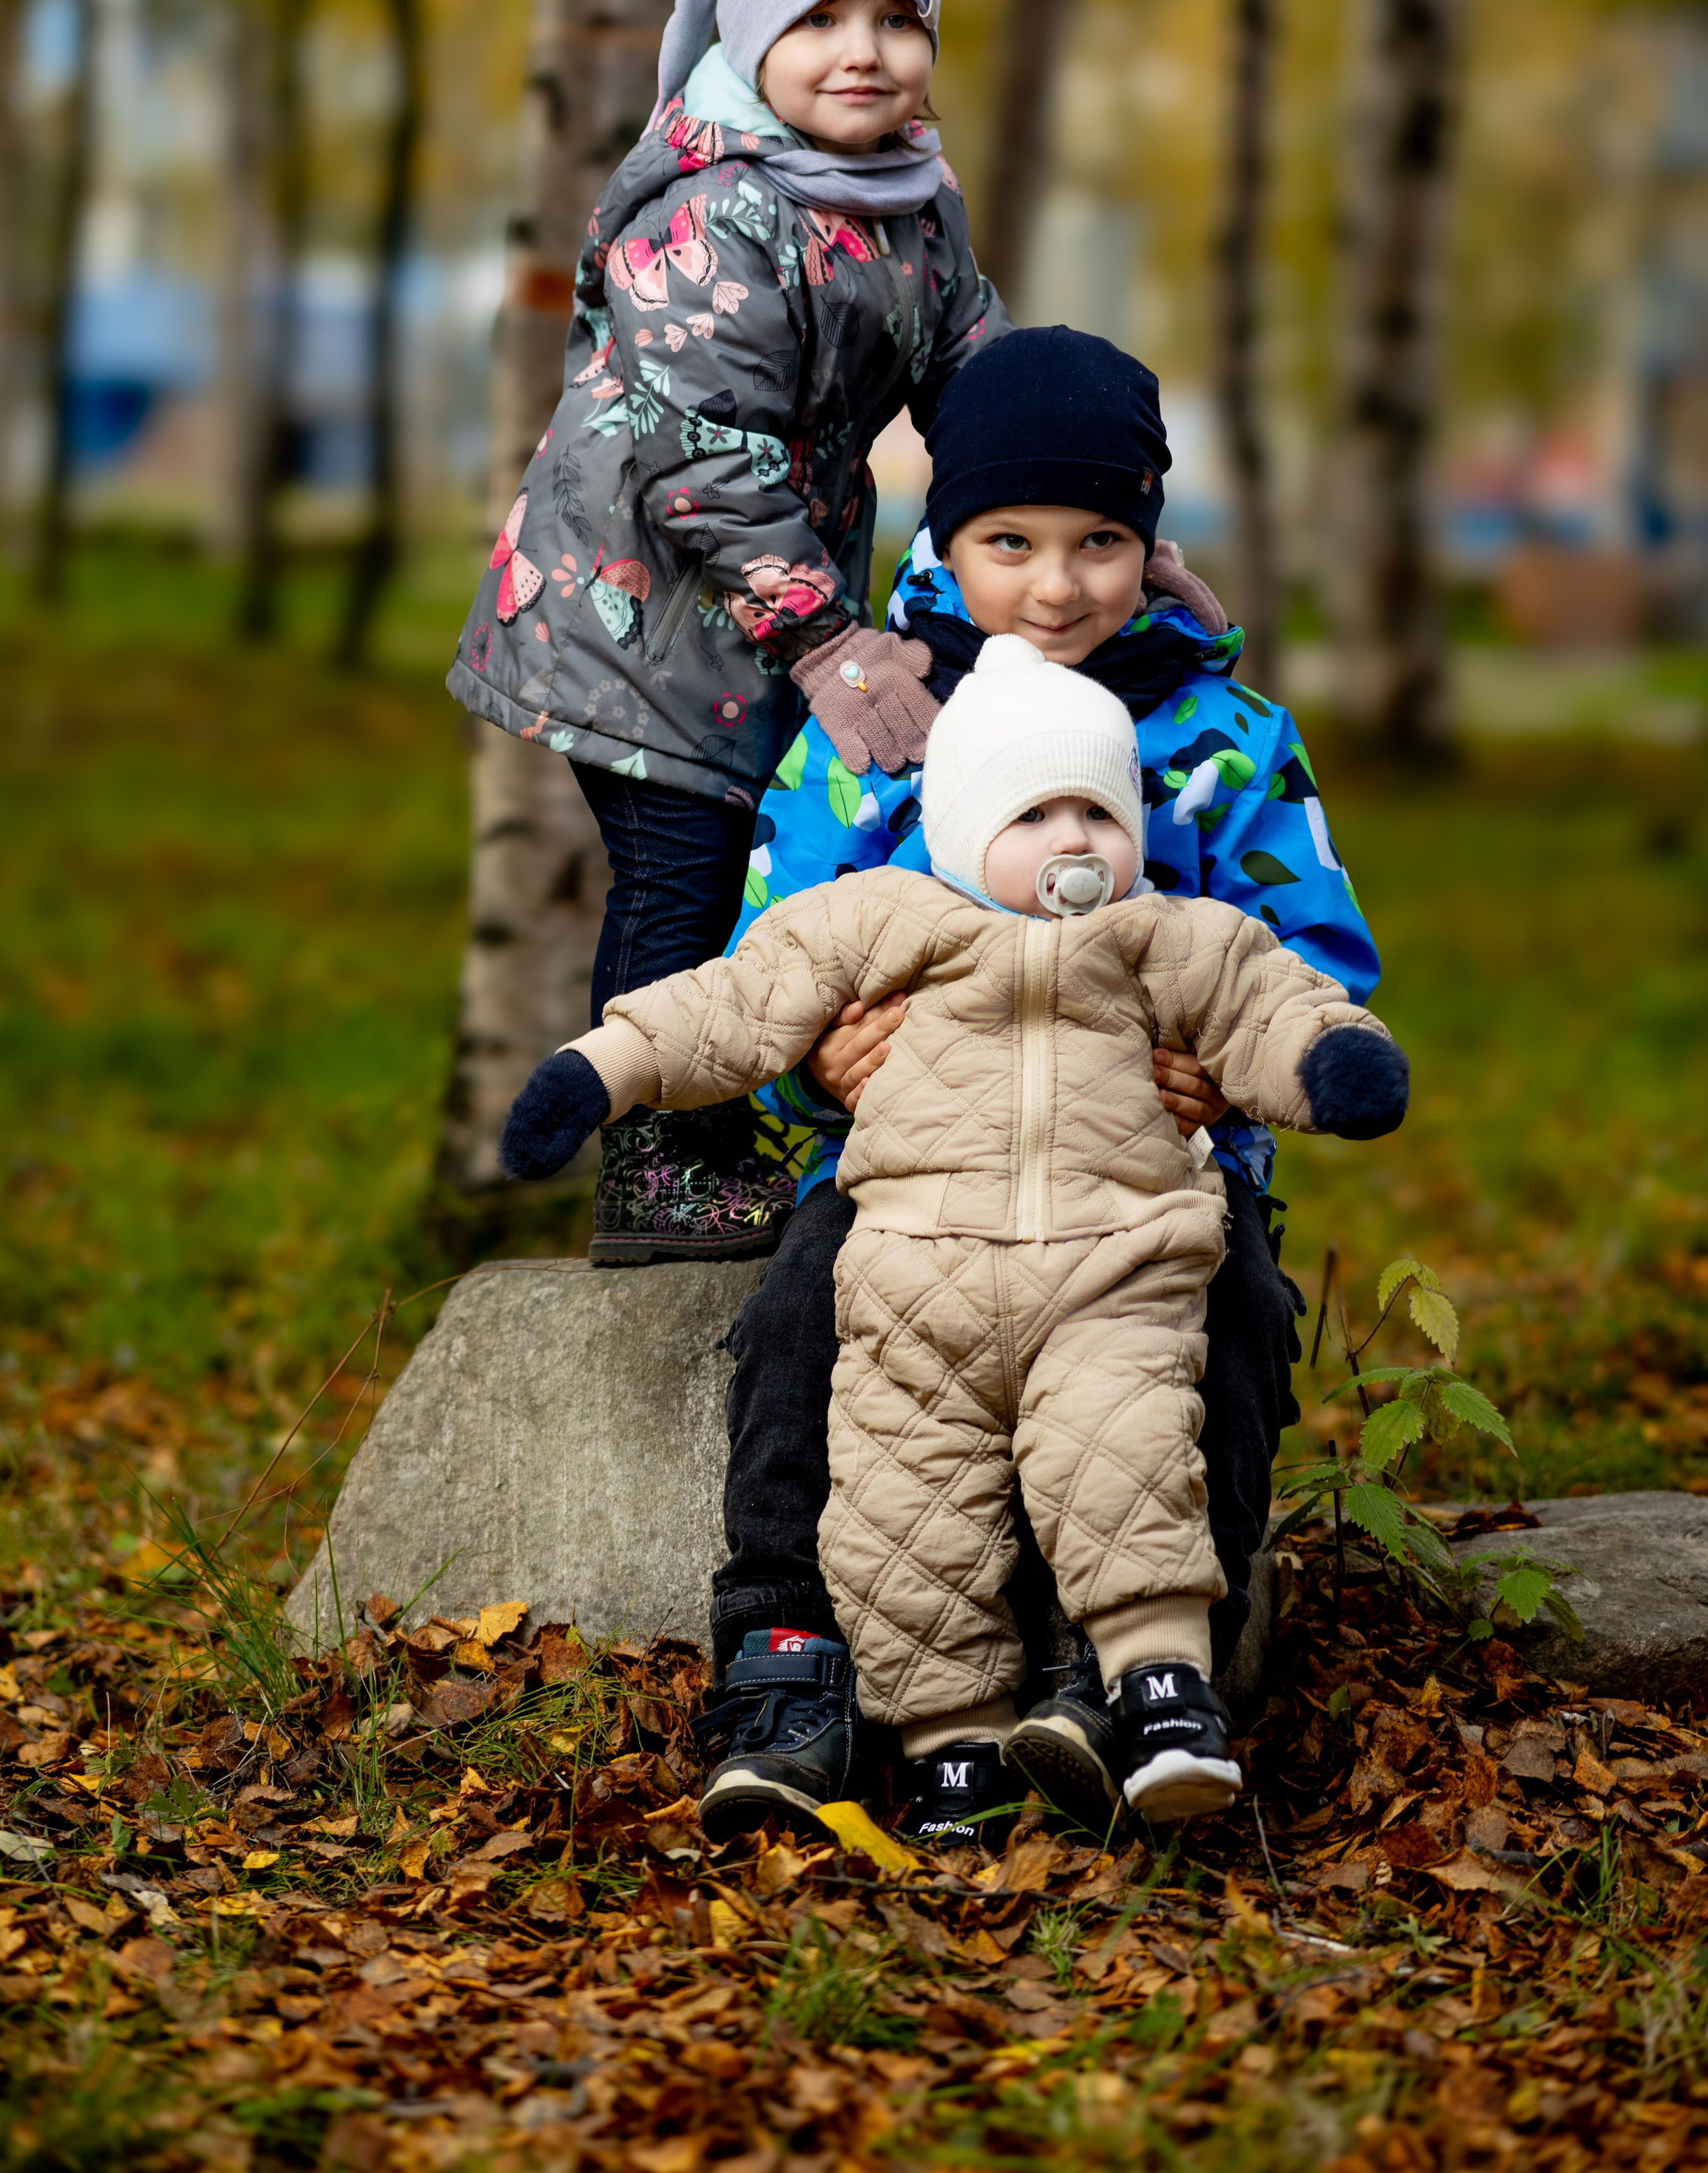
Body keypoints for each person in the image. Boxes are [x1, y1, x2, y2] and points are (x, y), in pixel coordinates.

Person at [498, 637, 1409, 1836]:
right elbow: (734, 1001)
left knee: (1128, 1448)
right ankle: (945, 1749)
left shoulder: (1168, 932)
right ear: (963, 827)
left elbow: (1274, 1000)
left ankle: (1155, 1688)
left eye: (1100, 810)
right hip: (917, 1264)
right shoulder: (885, 914)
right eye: (1037, 813)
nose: (1076, 839)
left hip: (1110, 1261)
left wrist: (1322, 1065)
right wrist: (599, 1072)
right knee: (906, 1508)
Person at [692, 328, 1384, 1841]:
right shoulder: (876, 726)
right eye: (1008, 543)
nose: (1055, 586)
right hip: (914, 1182)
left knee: (1240, 1316)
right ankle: (785, 1650)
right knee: (802, 1304)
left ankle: (1135, 1674)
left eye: (1099, 543)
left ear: (1150, 538)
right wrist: (820, 1061)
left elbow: (1312, 949)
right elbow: (772, 949)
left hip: (1154, 1182)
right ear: (946, 538)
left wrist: (1229, 1070)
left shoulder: (1221, 740)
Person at [447, 0, 1009, 1265]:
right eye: (818, 19)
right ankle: (660, 1164)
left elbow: (982, 385)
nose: (863, 52)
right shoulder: (708, 217)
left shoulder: (911, 206)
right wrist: (828, 638)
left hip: (757, 610)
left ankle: (739, 1119)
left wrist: (1100, 510)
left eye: (896, 17)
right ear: (751, 36)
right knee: (680, 878)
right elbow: (700, 461)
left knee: (773, 873)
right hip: (628, 614)